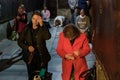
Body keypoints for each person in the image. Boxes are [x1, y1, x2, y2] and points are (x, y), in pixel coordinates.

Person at [18, 11, 51, 80]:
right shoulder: (26, 28)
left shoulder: (43, 27)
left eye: (37, 19)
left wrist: (42, 25)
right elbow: (20, 41)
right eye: (33, 19)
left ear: (40, 19)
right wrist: (27, 47)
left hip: (42, 58)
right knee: (32, 75)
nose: (35, 21)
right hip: (30, 57)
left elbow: (47, 37)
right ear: (31, 19)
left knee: (42, 75)